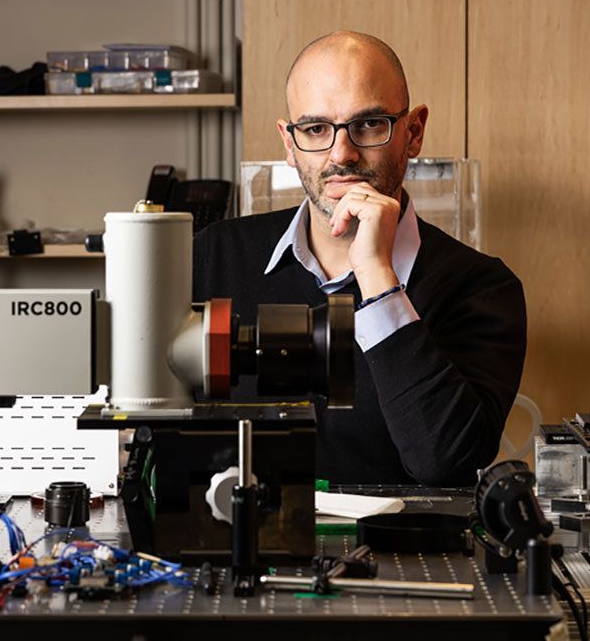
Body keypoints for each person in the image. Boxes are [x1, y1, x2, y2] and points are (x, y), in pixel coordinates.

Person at [193, 31, 526, 486]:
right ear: (288, 144)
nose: (341, 154)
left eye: (368, 125)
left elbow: (446, 463)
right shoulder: (212, 256)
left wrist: (377, 280)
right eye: (315, 129)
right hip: (243, 548)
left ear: (413, 132)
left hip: (403, 555)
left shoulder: (482, 288)